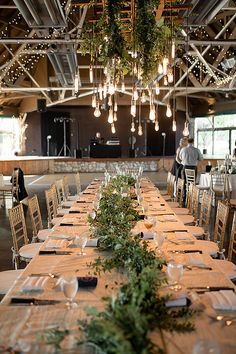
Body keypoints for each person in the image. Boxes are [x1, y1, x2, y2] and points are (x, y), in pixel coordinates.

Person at [179, 137, 203, 205]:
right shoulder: (196, 150)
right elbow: (201, 159)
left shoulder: (183, 149)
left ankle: (184, 197)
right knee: (192, 183)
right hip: (193, 168)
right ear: (193, 142)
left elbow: (180, 158)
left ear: (187, 142)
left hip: (185, 167)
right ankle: (192, 197)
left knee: (184, 182)